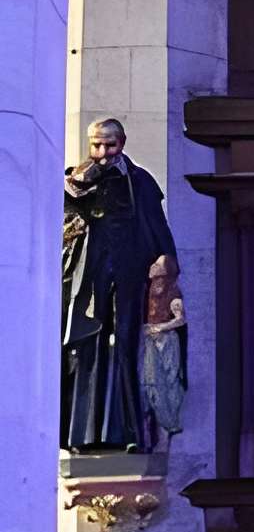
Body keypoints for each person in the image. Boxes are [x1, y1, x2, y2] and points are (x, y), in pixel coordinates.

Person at [61, 118, 182, 452]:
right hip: (89, 279)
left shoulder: (139, 181)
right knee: (87, 347)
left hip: (130, 276)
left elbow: (157, 225)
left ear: (123, 143)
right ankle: (82, 435)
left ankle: (129, 432)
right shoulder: (75, 181)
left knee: (125, 347)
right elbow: (63, 231)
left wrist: (166, 258)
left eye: (109, 145)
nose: (102, 153)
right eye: (96, 145)